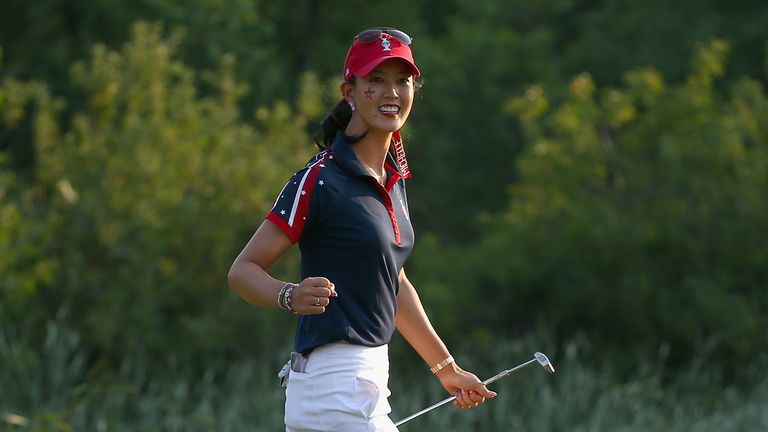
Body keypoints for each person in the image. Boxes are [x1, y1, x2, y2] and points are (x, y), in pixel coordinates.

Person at [228, 27, 496, 431]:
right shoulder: (320, 179)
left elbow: (395, 281)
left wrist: (446, 369)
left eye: (401, 81)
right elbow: (243, 271)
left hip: (363, 385)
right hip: (334, 389)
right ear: (349, 91)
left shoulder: (394, 180)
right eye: (375, 81)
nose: (391, 92)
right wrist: (290, 295)